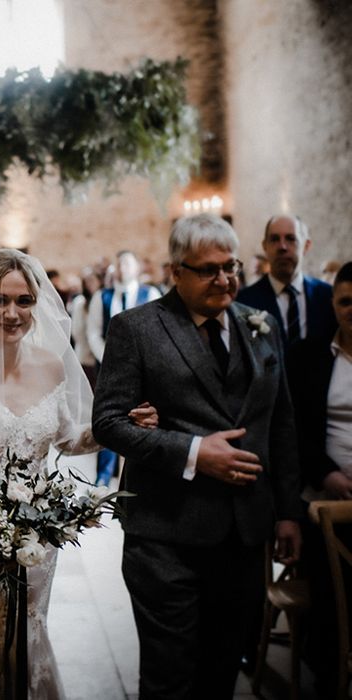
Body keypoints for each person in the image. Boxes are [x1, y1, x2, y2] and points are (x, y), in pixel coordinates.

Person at [0, 249, 157, 698]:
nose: (13, 313)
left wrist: (116, 429)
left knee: (28, 640)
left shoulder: (51, 366)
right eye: (1, 300)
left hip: (35, 542)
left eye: (23, 301)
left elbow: (66, 440)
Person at [92, 213, 303, 699]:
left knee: (222, 668)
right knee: (170, 677)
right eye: (208, 269)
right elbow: (108, 422)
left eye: (231, 267)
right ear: (176, 272)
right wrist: (192, 452)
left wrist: (289, 511)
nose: (225, 279)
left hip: (245, 534)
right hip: (166, 535)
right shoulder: (137, 329)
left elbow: (282, 424)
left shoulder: (262, 326)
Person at [287, 261, 352, 698]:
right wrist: (328, 473)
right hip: (324, 494)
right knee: (334, 590)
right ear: (333, 304)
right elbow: (295, 429)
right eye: (346, 301)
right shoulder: (310, 356)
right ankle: (328, 670)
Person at [86, 250, 161, 487]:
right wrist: (107, 359)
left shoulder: (150, 294)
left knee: (142, 420)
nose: (123, 268)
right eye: (119, 264)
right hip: (109, 369)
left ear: (137, 268)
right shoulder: (103, 296)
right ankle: (103, 477)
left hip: (143, 369)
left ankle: (139, 480)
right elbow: (94, 332)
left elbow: (157, 332)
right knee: (109, 419)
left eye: (128, 263)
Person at [238, 214, 336, 348]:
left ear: (306, 246)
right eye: (274, 239)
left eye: (291, 239)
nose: (282, 247)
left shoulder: (327, 296)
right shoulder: (244, 302)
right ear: (265, 246)